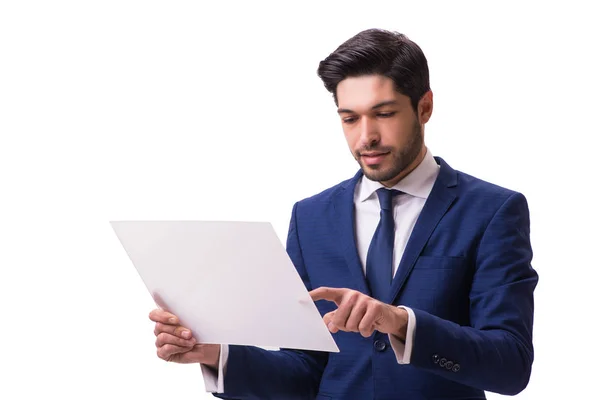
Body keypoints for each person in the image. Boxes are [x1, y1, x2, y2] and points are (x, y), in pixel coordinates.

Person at [149, 28, 538, 399]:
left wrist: (401, 322)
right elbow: (306, 369)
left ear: (425, 107)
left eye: (383, 114)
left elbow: (511, 365)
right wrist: (215, 354)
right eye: (349, 118)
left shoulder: (492, 211)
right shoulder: (310, 218)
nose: (365, 136)